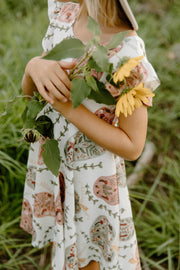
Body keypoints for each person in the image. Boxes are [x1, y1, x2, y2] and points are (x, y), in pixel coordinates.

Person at [20, 1, 160, 269]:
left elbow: (133, 147)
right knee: (60, 245)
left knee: (88, 257)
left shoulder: (125, 52)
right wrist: (34, 66)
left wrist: (68, 107)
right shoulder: (65, 13)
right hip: (52, 163)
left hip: (92, 180)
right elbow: (31, 98)